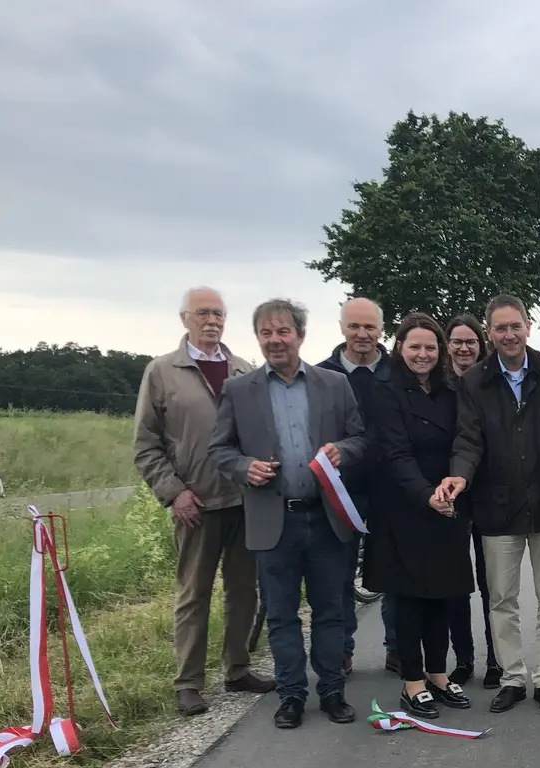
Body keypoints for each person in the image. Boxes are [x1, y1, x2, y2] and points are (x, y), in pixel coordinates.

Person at [207, 298, 367, 729]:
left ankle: (332, 690)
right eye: (266, 333)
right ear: (258, 338)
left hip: (326, 519)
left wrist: (344, 450)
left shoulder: (334, 384)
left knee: (331, 611)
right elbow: (219, 449)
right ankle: (291, 695)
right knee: (281, 614)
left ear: (300, 335)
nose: (275, 340)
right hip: (273, 522)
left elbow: (360, 438)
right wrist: (244, 467)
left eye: (283, 331)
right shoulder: (238, 390)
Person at [134, 286, 273, 716]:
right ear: (184, 319)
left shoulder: (243, 370)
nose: (212, 321)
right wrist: (175, 492)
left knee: (243, 591)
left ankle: (238, 669)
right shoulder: (162, 372)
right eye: (202, 314)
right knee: (194, 594)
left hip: (244, 502)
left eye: (218, 314)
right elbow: (145, 445)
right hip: (196, 504)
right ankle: (189, 683)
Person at [436, 296, 540, 715]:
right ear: (489, 333)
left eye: (515, 326)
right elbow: (468, 439)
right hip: (496, 508)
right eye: (500, 328)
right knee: (501, 599)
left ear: (528, 327)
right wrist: (460, 475)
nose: (508, 335)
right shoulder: (474, 381)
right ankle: (512, 677)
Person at [363, 312, 477, 719]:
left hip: (448, 502)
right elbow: (395, 454)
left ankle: (438, 674)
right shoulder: (385, 390)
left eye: (431, 347)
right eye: (415, 346)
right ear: (400, 348)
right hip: (405, 507)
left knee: (442, 596)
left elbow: (464, 440)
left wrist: (452, 485)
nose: (423, 354)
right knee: (410, 599)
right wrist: (427, 495)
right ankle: (412, 682)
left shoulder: (451, 390)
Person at [315, 297, 395, 678]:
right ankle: (343, 649)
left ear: (381, 330)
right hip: (341, 490)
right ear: (341, 328)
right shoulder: (320, 375)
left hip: (392, 487)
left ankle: (398, 647)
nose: (362, 334)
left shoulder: (398, 371)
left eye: (370, 327)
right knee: (340, 573)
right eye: (354, 327)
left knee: (395, 571)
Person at [443, 313, 498, 687]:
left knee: (492, 585)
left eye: (471, 342)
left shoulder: (489, 386)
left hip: (488, 496)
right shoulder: (440, 387)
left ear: (482, 345)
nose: (464, 348)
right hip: (450, 497)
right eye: (457, 342)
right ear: (448, 346)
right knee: (456, 585)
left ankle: (497, 660)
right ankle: (463, 659)